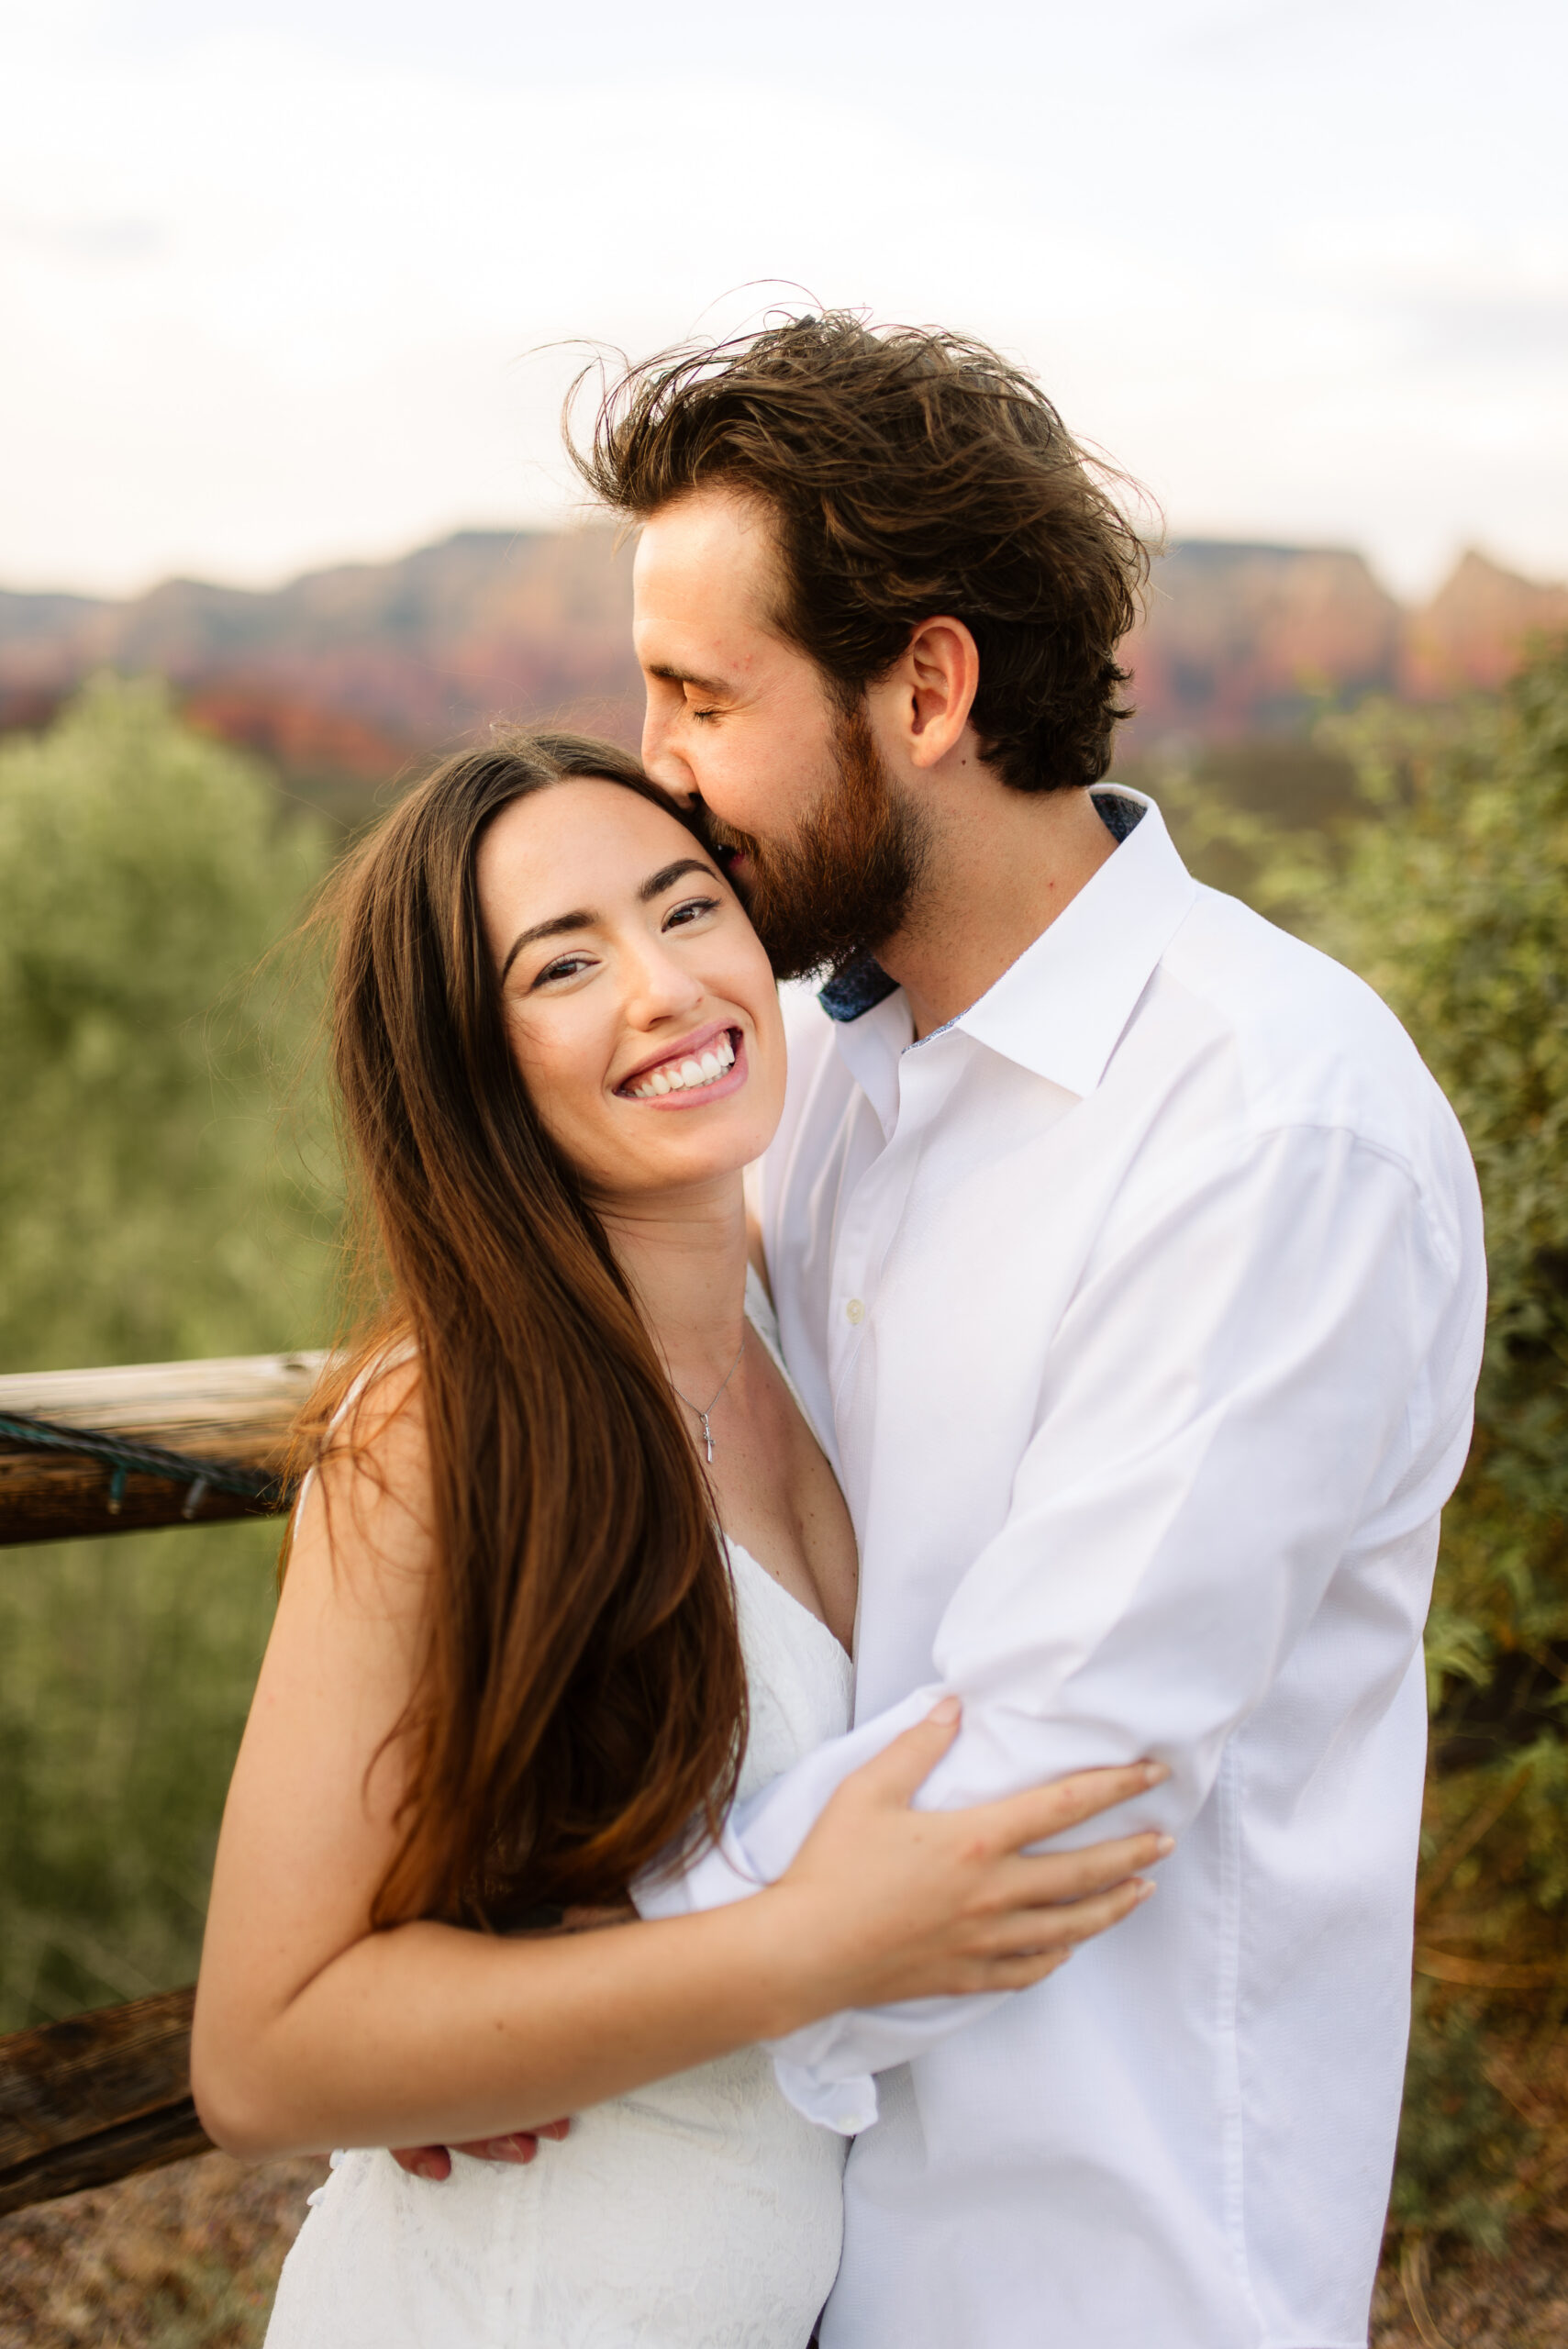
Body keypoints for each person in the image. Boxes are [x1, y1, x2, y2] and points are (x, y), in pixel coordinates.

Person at [478, 316, 1480, 2349]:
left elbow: (1044, 1780)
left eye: (700, 698)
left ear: (925, 689)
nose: (654, 770)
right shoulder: (802, 1076)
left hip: (1095, 2273)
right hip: (771, 2248)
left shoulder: (1268, 1122)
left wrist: (553, 2000)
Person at [189, 729, 1166, 2349]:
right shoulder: (439, 1428)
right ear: (471, 1058)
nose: (663, 987)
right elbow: (260, 2058)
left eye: (686, 908)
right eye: (563, 965)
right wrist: (802, 1949)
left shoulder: (804, 1322)